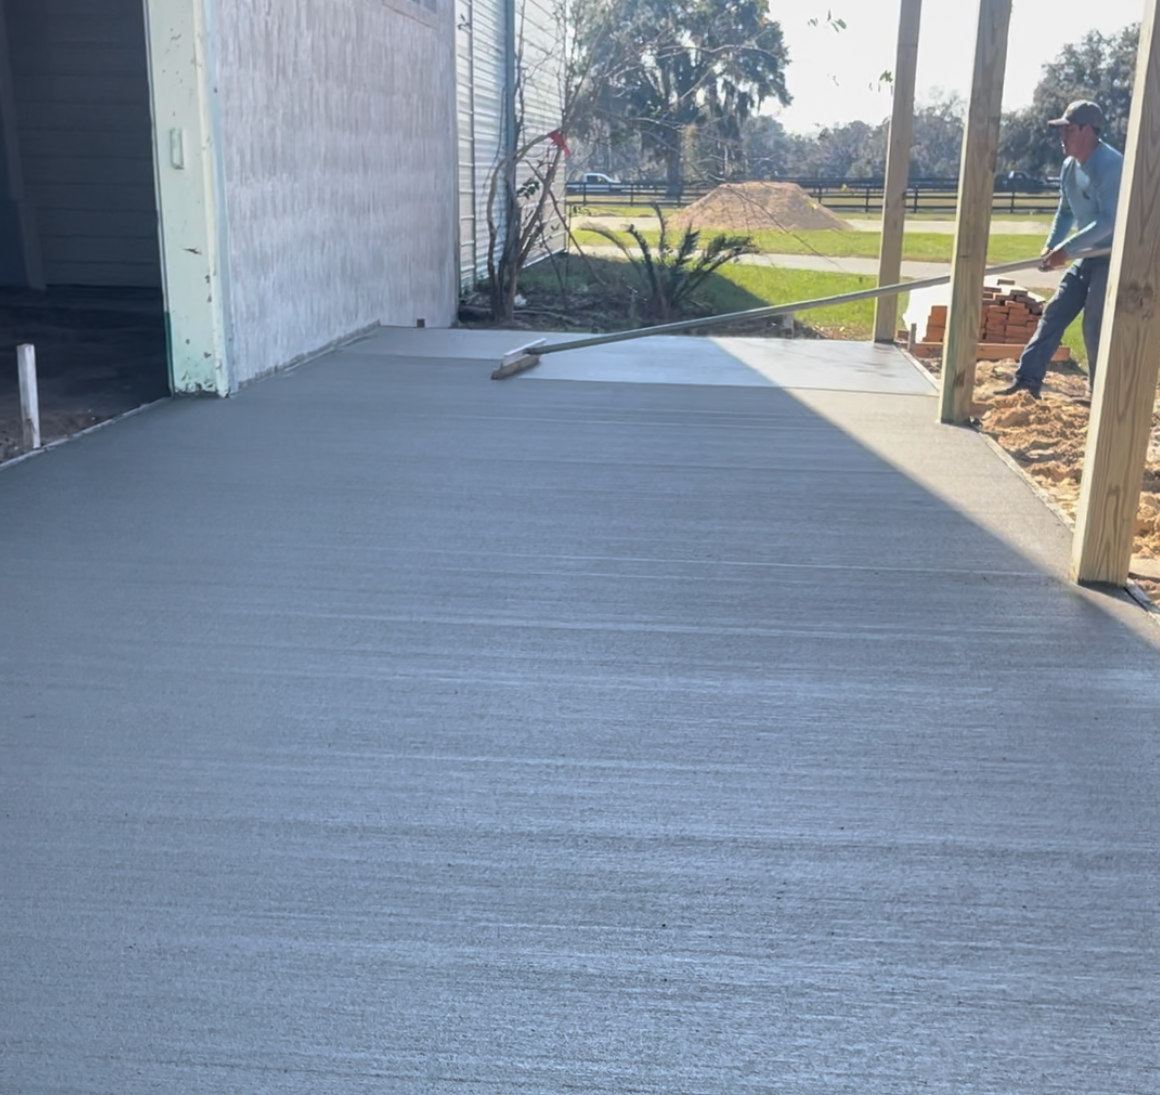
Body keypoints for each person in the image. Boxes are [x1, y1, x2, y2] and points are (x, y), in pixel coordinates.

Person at [995, 100, 1123, 400]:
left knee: (1095, 324)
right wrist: (1053, 244)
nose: (1061, 137)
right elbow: (1065, 211)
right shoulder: (1069, 167)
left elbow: (1109, 222)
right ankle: (1027, 382)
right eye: (1061, 130)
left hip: (1111, 257)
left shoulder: (1111, 166)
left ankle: (1098, 394)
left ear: (1087, 131)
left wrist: (1066, 250)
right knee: (1054, 312)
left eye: (1068, 130)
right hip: (1084, 254)